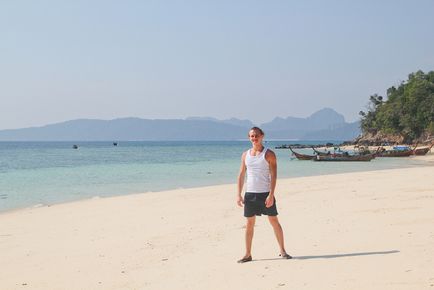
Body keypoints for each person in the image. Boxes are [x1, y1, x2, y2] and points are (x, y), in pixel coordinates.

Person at [236, 127, 292, 263]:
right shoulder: (245, 155)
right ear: (249, 138)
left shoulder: (269, 154)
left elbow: (274, 175)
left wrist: (271, 195)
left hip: (265, 194)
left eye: (256, 136)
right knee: (249, 224)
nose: (254, 138)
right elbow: (241, 175)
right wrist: (238, 194)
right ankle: (248, 254)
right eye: (251, 136)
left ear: (262, 136)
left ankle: (283, 251)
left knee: (274, 221)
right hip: (250, 194)